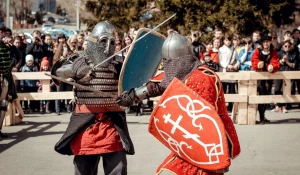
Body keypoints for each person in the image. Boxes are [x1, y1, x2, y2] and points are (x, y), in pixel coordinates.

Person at [116, 33, 240, 175]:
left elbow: (202, 118)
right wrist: (133, 95)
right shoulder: (180, 73)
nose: (168, 67)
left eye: (169, 62)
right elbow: (159, 85)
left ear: (178, 60)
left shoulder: (205, 77)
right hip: (188, 142)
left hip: (209, 143)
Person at [51, 21, 134, 175]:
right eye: (103, 41)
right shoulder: (78, 59)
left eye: (112, 42)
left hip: (112, 125)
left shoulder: (120, 64)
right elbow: (57, 73)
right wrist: (76, 69)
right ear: (93, 41)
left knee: (118, 170)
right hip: (85, 125)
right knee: (84, 171)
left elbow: (134, 88)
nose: (108, 47)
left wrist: (131, 97)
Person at [251, 35, 280, 124]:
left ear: (270, 42)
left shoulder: (273, 51)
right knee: (261, 96)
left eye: (267, 41)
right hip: (259, 76)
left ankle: (263, 116)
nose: (266, 43)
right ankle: (261, 118)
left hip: (269, 76)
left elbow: (275, 61)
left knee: (267, 95)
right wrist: (259, 64)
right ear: (262, 43)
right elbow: (254, 60)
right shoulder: (258, 51)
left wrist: (271, 66)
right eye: (264, 42)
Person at [0, 27, 19, 138]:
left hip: (5, 76)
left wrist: (12, 46)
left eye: (4, 33)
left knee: (3, 104)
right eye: (1, 32)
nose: (2, 35)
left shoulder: (7, 46)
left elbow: (19, 56)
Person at [272, 40, 299, 113]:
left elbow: (294, 65)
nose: (287, 47)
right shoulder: (279, 53)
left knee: (287, 90)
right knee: (277, 89)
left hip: (289, 73)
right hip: (280, 73)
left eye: (289, 46)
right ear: (283, 46)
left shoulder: (294, 53)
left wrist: (287, 61)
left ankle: (284, 106)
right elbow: (276, 63)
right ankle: (277, 105)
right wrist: (282, 61)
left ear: (291, 46)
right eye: (285, 46)